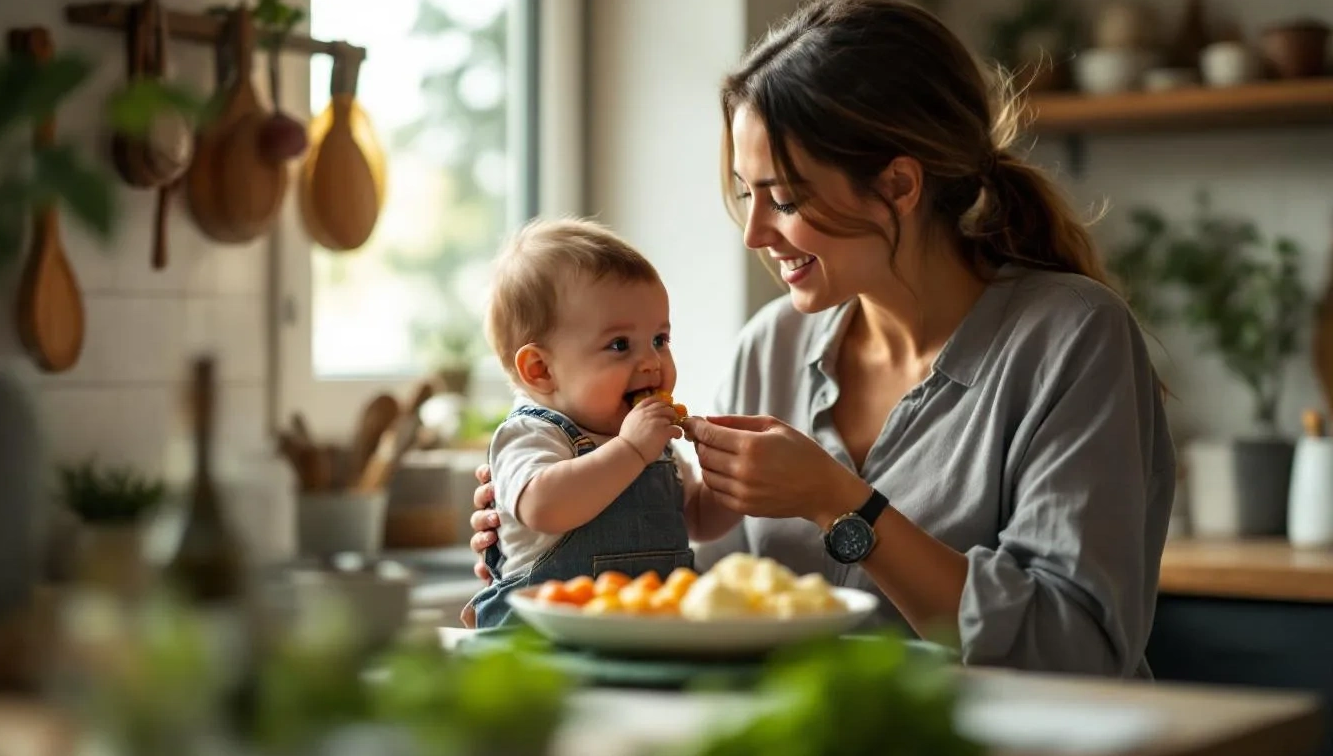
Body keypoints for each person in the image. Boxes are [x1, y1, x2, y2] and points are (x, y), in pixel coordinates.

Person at [466, 0, 1175, 677]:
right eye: (748, 194)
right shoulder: (770, 348)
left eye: (785, 198)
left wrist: (844, 505)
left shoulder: (1072, 339)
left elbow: (1075, 647)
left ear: (898, 184)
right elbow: (711, 605)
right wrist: (573, 537)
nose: (753, 233)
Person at [465, 218, 739, 627]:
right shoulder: (532, 433)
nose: (651, 362)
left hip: (648, 638)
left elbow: (698, 518)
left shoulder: (649, 439)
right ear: (540, 370)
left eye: (660, 340)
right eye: (619, 345)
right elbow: (545, 506)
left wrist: (732, 486)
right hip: (542, 643)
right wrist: (630, 450)